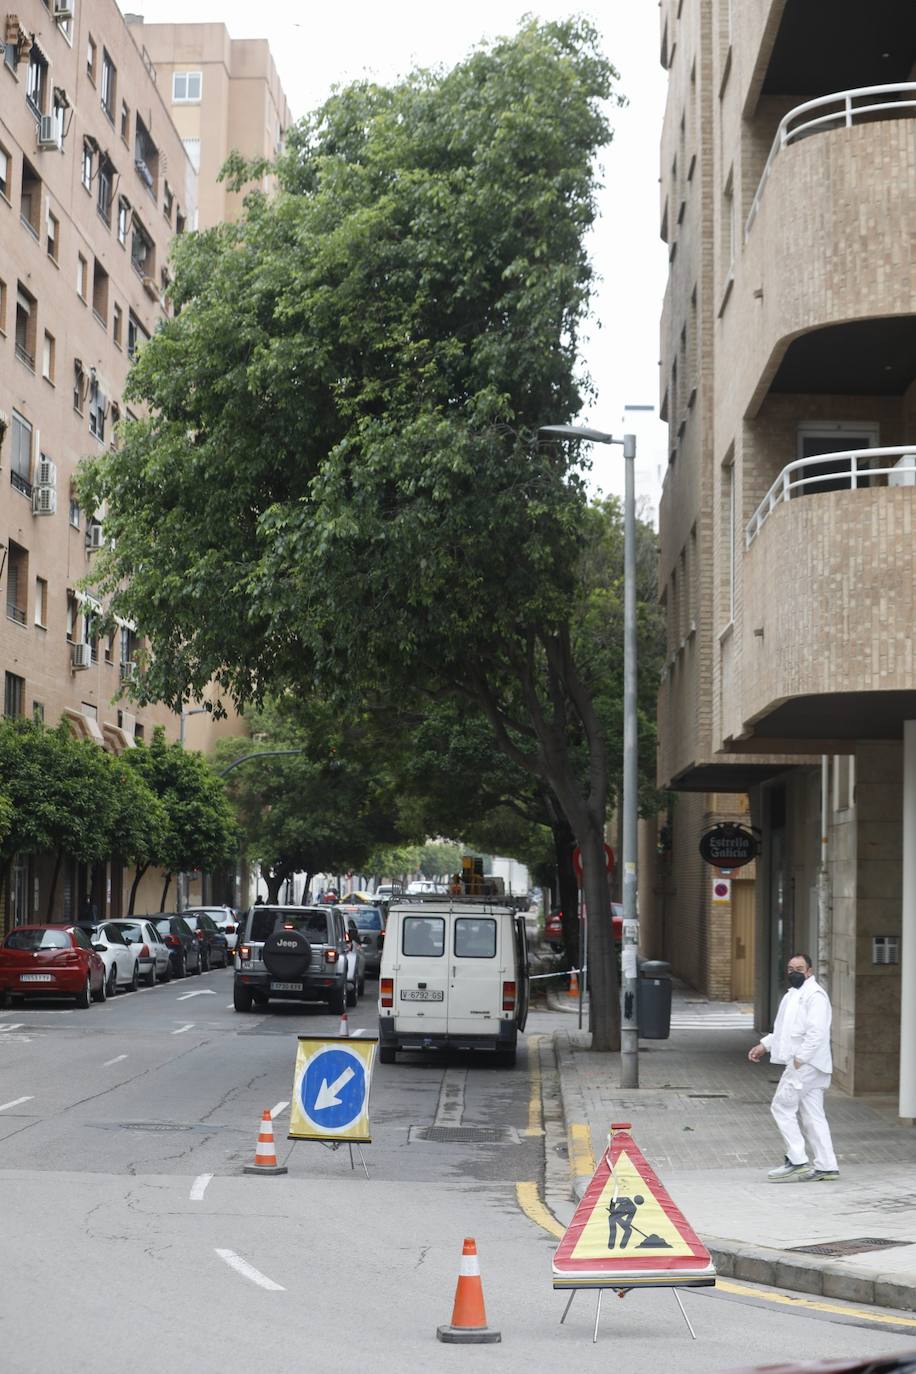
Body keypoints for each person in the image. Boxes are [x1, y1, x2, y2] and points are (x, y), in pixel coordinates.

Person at [748, 952, 839, 1182]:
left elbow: (816, 1032)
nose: (794, 973)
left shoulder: (815, 996)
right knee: (813, 1115)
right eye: (790, 969)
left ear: (809, 971)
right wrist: (764, 1045)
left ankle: (797, 1160)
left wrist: (800, 1058)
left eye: (799, 968)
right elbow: (784, 1031)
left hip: (805, 1064)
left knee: (781, 1106)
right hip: (809, 1065)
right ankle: (827, 1166)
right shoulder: (793, 995)